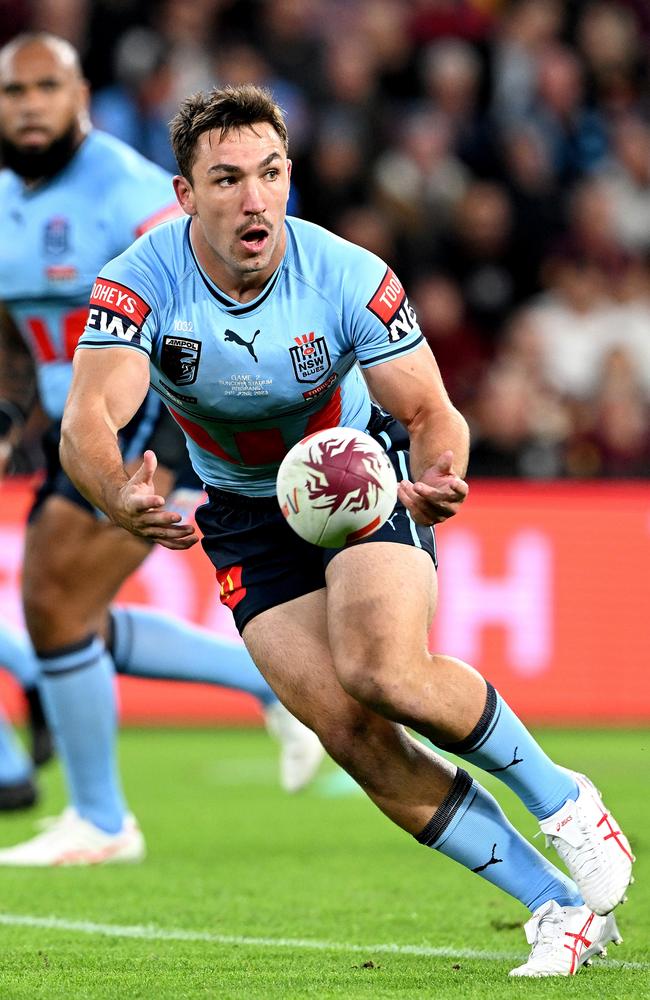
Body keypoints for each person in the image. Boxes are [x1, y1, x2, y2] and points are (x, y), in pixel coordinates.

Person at [59, 83, 633, 977]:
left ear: (289, 176)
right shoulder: (139, 283)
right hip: (246, 514)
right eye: (227, 179)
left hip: (358, 482)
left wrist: (440, 473)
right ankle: (554, 905)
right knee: (352, 735)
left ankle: (566, 802)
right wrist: (113, 492)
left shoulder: (347, 275)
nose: (255, 199)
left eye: (271, 173)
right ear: (185, 196)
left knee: (383, 670)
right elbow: (89, 418)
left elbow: (433, 411)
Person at [0, 35, 323, 863]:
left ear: (81, 97)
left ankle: (104, 821)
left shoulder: (130, 191)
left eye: (47, 87)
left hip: (149, 417)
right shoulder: (5, 198)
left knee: (53, 598)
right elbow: (11, 334)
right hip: (77, 424)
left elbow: (205, 284)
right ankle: (275, 684)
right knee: (65, 615)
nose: (29, 105)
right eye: (13, 91)